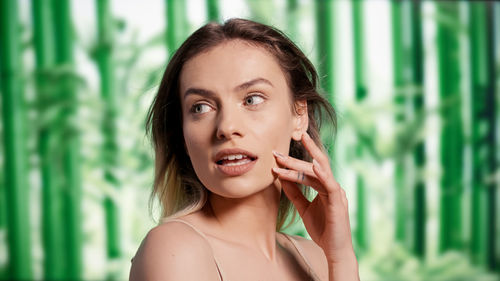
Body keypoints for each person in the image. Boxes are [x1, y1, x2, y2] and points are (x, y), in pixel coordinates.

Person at [129, 18, 359, 281]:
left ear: (299, 114)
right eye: (201, 107)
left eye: (252, 99)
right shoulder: (174, 249)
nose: (226, 127)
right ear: (182, 135)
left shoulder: (317, 258)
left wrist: (341, 257)